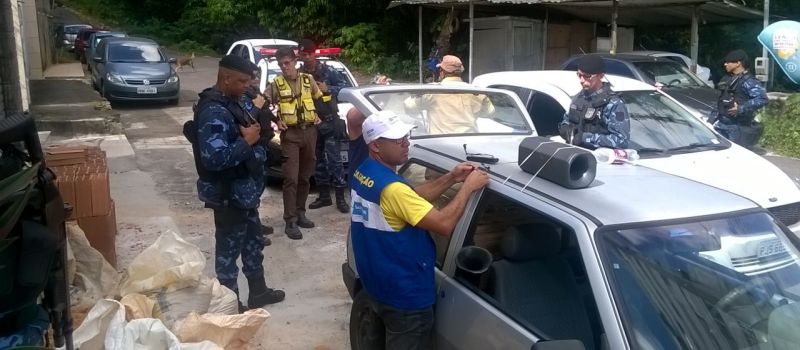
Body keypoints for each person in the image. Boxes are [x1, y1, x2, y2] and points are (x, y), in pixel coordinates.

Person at [349, 111, 489, 349]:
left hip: (377, 284)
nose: (406, 143)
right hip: (406, 297)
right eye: (397, 140)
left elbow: (409, 200)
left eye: (406, 136)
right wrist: (468, 188)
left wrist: (452, 177)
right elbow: (444, 224)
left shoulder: (366, 172)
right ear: (376, 146)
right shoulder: (392, 188)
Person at [188, 55, 285, 312]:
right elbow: (214, 158)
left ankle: (258, 293)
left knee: (253, 243)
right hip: (228, 194)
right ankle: (230, 304)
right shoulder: (213, 111)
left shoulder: (233, 101)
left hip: (245, 192)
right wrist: (248, 141)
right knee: (228, 254)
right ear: (226, 78)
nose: (247, 85)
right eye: (242, 81)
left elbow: (251, 114)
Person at [264, 47, 323, 240]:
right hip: (290, 135)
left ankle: (300, 212)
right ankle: (290, 220)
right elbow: (263, 104)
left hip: (310, 132)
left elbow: (321, 99)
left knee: (306, 176)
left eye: (287, 63)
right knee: (290, 178)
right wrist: (275, 119)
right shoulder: (276, 84)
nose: (284, 67)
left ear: (295, 62)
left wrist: (320, 116)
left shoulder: (308, 80)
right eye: (281, 64)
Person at [297, 39, 349, 213]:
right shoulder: (300, 74)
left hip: (330, 121)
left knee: (334, 161)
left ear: (314, 53)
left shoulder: (328, 70)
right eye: (303, 54)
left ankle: (341, 198)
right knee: (317, 161)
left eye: (309, 54)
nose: (306, 57)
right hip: (311, 122)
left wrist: (329, 89)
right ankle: (324, 196)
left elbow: (346, 90)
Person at [405, 55, 494, 135]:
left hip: (441, 145)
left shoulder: (432, 91)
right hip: (470, 143)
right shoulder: (475, 91)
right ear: (460, 72)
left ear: (442, 72)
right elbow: (490, 112)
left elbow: (409, 106)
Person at [559, 54, 630, 149]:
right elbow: (567, 120)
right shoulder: (578, 98)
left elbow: (621, 141)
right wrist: (566, 129)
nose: (581, 80)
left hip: (600, 159)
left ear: (601, 76)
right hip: (576, 155)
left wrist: (585, 138)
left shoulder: (612, 103)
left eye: (587, 76)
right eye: (579, 75)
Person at [240, 64, 277, 243]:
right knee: (252, 191)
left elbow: (266, 113)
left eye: (257, 76)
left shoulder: (256, 94)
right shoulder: (241, 98)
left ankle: (255, 224)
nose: (255, 80)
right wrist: (256, 106)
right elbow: (245, 121)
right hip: (252, 150)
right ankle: (252, 232)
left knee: (259, 188)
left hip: (262, 146)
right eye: (252, 77)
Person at [713, 49, 768, 148]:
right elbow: (721, 100)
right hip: (721, 125)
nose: (725, 64)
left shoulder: (748, 81)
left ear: (738, 63)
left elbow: (762, 99)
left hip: (736, 127)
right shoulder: (728, 79)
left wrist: (740, 109)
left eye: (728, 62)